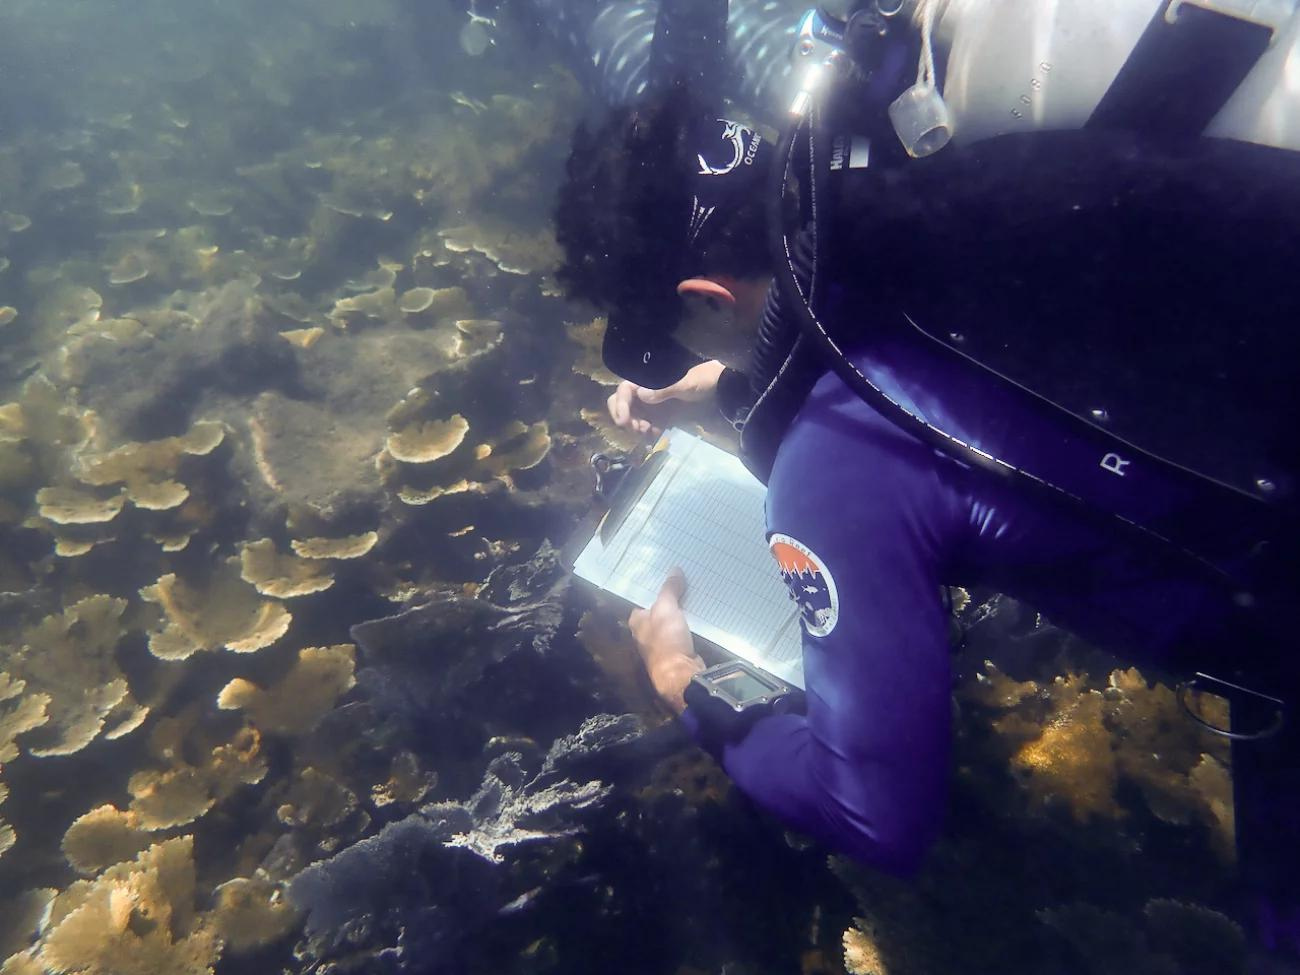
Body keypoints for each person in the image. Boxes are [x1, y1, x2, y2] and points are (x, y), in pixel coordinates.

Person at [554, 0, 1300, 951]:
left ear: (706, 296)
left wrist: (682, 685)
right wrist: (737, 392)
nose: (684, 361)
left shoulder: (831, 470)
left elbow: (873, 811)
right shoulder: (943, 187)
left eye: (676, 340)